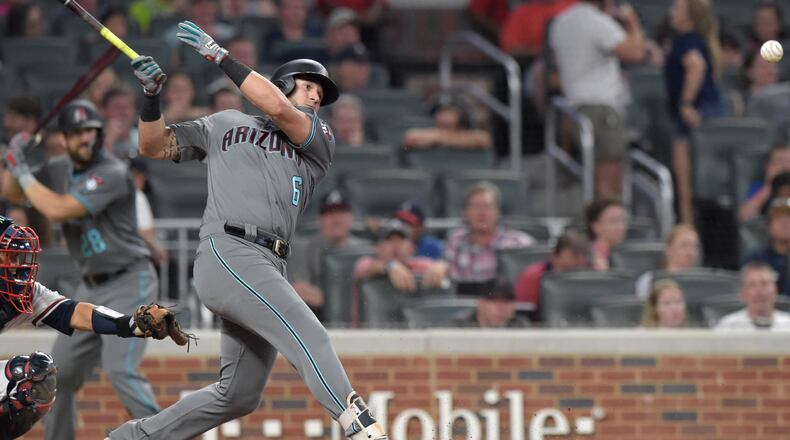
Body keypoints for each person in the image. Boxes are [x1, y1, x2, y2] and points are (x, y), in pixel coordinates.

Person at [110, 19, 388, 439]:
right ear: (282, 83)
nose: (316, 95)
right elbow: (153, 145)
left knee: (238, 395)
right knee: (309, 331)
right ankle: (359, 426)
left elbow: (278, 108)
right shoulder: (223, 123)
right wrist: (150, 97)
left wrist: (218, 54)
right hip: (229, 249)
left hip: (269, 263)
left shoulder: (317, 139)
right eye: (308, 85)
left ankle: (135, 437)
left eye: (321, 92)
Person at [0, 100, 163, 440]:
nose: (84, 139)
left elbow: (59, 209)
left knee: (119, 370)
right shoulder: (58, 167)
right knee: (63, 373)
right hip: (90, 283)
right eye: (76, 133)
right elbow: (12, 191)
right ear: (64, 138)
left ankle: (163, 436)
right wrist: (15, 159)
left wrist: (22, 170)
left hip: (129, 277)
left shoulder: (112, 170)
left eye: (90, 131)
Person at [0, 217, 182, 440]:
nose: (16, 264)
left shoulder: (24, 292)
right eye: (7, 255)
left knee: (33, 374)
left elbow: (75, 312)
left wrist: (130, 324)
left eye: (16, 256)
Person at [549, 0, 648, 198]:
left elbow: (553, 72)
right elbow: (636, 52)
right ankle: (608, 224)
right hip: (601, 109)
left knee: (598, 178)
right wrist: (632, 22)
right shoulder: (596, 21)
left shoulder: (560, 21)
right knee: (609, 181)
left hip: (574, 107)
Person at [664, 0, 726, 224]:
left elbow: (695, 65)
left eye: (676, 8)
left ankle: (689, 229)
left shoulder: (686, 39)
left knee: (686, 185)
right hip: (710, 111)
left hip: (694, 116)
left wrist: (686, 102)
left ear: (689, 15)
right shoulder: (695, 39)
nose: (671, 11)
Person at [289, 189, 368, 321]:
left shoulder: (365, 249)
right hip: (316, 318)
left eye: (341, 212)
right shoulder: (303, 249)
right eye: (329, 213)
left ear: (351, 217)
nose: (336, 219)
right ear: (319, 219)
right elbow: (299, 290)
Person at [439, 182, 534, 289]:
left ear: (498, 212)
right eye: (476, 206)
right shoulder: (455, 239)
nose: (482, 212)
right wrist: (440, 267)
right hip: (463, 302)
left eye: (488, 206)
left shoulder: (519, 242)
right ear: (465, 212)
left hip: (501, 302)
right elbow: (445, 269)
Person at [352, 218, 444, 326]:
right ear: (377, 247)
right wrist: (390, 266)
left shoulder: (420, 265)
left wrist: (442, 266)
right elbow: (362, 270)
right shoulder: (367, 263)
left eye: (401, 239)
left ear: (412, 247)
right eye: (389, 239)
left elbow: (441, 267)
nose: (396, 245)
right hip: (368, 334)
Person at [514, 230, 590, 317]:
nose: (580, 261)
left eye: (584, 256)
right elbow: (525, 315)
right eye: (574, 255)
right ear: (554, 255)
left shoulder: (588, 276)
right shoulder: (532, 276)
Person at [716, 262, 790, 330]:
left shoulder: (788, 324)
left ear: (776, 290)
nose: (759, 291)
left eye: (764, 284)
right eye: (752, 285)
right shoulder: (727, 326)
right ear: (743, 293)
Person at [635, 224, 700, 299]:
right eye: (684, 245)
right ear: (668, 249)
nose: (690, 252)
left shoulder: (701, 282)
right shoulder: (649, 280)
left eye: (694, 246)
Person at [743, 197, 790, 296]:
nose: (784, 222)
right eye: (778, 218)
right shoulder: (756, 259)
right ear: (769, 226)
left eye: (788, 217)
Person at [402, 103, 492, 150]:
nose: (443, 119)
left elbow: (485, 139)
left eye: (449, 115)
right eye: (442, 115)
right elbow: (410, 138)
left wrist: (438, 140)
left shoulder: (469, 135)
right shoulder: (429, 133)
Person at [740, 145, 790, 222]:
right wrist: (769, 185)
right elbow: (743, 216)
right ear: (768, 166)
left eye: (788, 161)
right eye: (779, 161)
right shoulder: (759, 188)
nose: (783, 166)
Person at [454, 282, 530, 328]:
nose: (501, 307)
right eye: (494, 300)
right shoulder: (461, 326)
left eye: (506, 301)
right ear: (480, 303)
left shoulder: (520, 326)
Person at [585, 197, 627, 271]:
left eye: (622, 220)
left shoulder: (628, 256)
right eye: (613, 221)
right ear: (596, 226)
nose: (621, 227)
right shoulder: (586, 258)